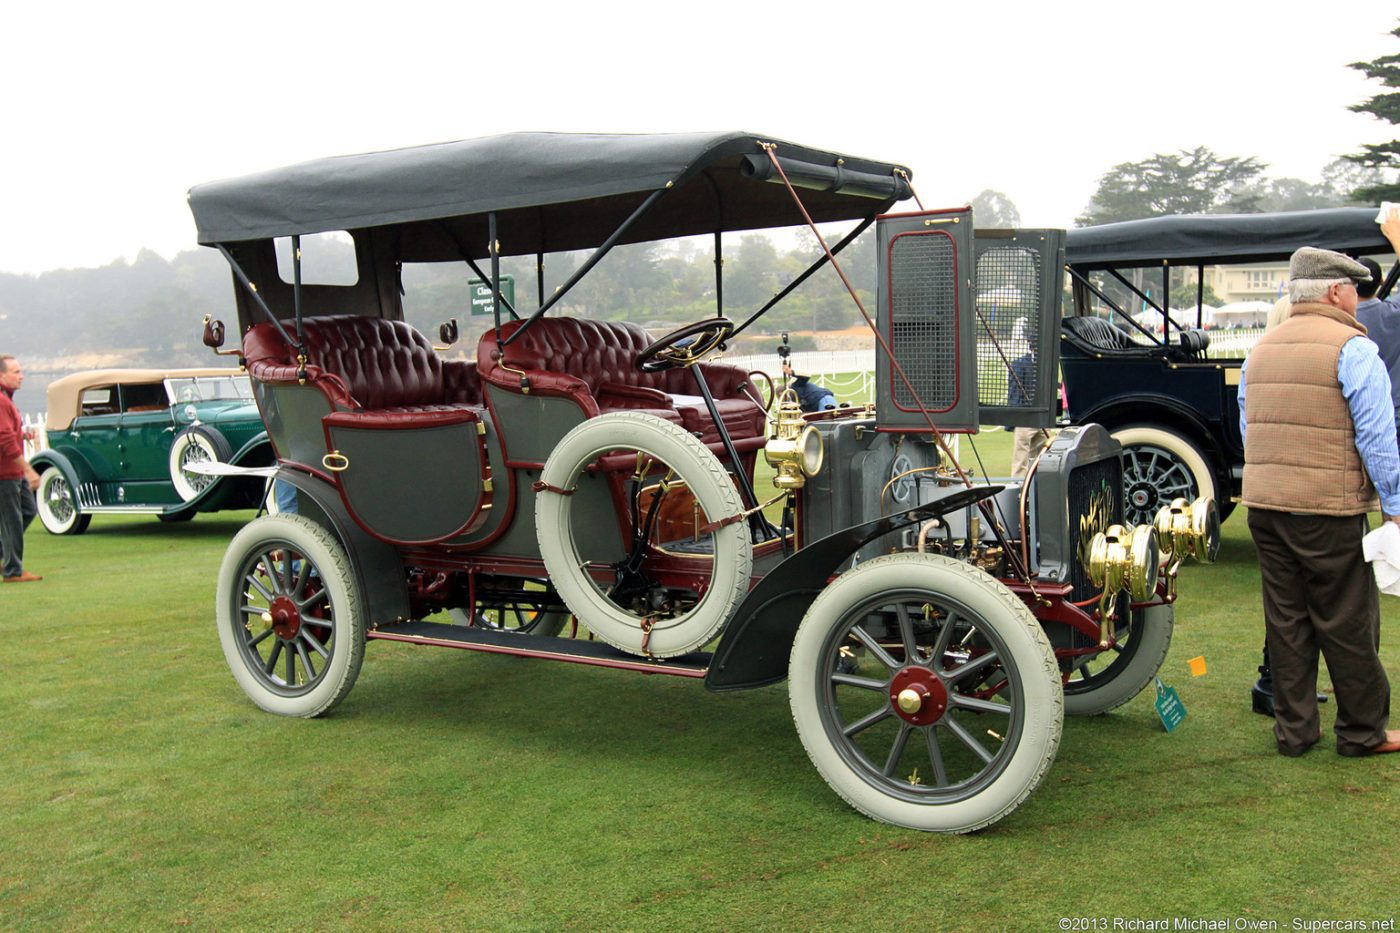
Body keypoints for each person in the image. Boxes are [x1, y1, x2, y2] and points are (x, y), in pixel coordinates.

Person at [1239, 247, 1400, 757]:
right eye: (1354, 288)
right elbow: (1377, 435)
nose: (1358, 298)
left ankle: (1294, 732)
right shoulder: (1352, 348)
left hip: (1265, 505)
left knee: (1286, 621)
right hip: (1326, 506)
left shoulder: (1260, 349)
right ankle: (1361, 732)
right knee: (1347, 620)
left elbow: (1250, 426)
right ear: (1335, 292)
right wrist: (1393, 505)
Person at [0, 354, 42, 583]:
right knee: (12, 521)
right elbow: (4, 440)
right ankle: (12, 571)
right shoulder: (2, 401)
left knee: (27, 511)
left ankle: (7, 559)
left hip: (12, 472)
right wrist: (29, 470)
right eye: (16, 372)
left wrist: (23, 435)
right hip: (5, 474)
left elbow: (8, 433)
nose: (22, 376)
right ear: (1, 375)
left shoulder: (7, 399)